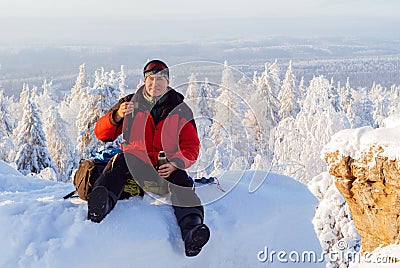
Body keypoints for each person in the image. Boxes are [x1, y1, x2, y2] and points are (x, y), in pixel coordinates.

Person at [88, 59, 210, 257]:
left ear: (168, 81)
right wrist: (116, 117)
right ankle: (101, 206)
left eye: (160, 79)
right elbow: (102, 134)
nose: (155, 83)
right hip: (133, 166)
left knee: (181, 182)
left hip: (164, 169)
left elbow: (192, 147)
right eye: (151, 78)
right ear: (144, 80)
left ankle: (192, 232)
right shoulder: (129, 103)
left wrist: (176, 163)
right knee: (118, 164)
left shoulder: (180, 109)